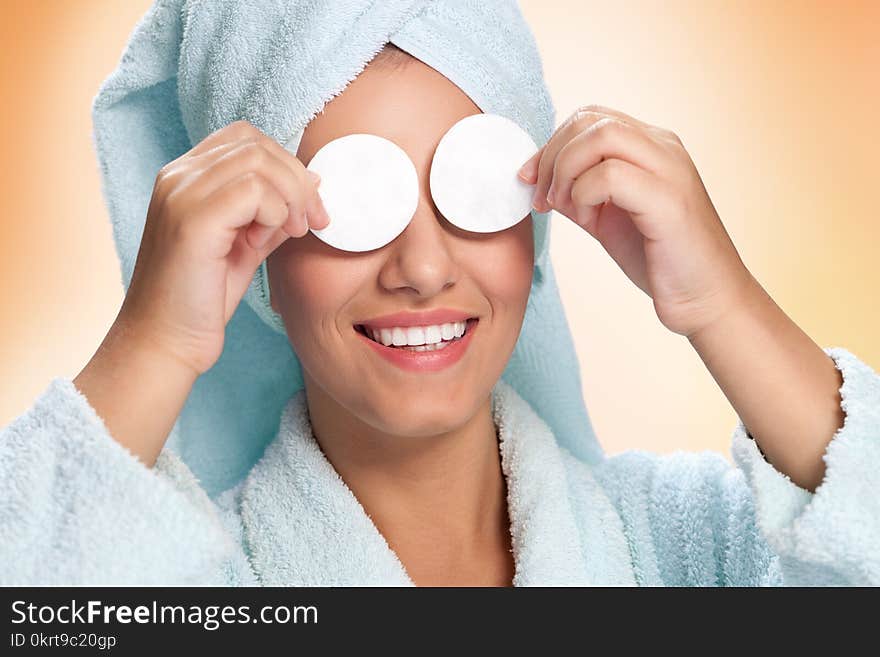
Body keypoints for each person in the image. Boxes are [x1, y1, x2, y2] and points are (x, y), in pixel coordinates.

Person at [1, 2, 878, 587]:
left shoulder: (688, 550)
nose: (422, 266)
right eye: (353, 202)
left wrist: (723, 303)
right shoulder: (194, 584)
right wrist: (154, 342)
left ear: (535, 219)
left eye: (472, 188)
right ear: (251, 251)